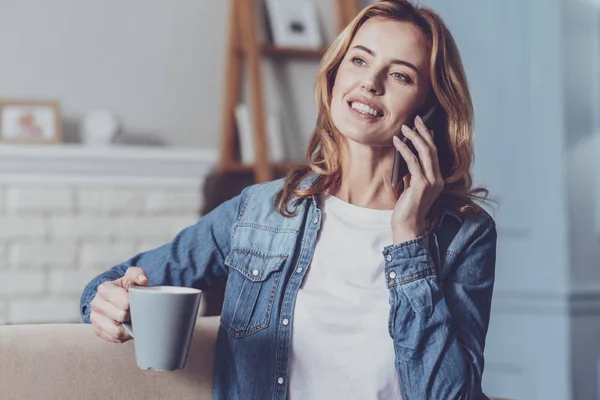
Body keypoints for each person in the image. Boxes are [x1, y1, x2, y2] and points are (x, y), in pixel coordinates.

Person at [80, 1, 497, 399]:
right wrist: (109, 300)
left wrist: (409, 239)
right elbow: (116, 283)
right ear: (335, 74)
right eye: (360, 60)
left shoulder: (464, 235)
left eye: (401, 75)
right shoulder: (260, 212)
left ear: (428, 107)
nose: (371, 82)